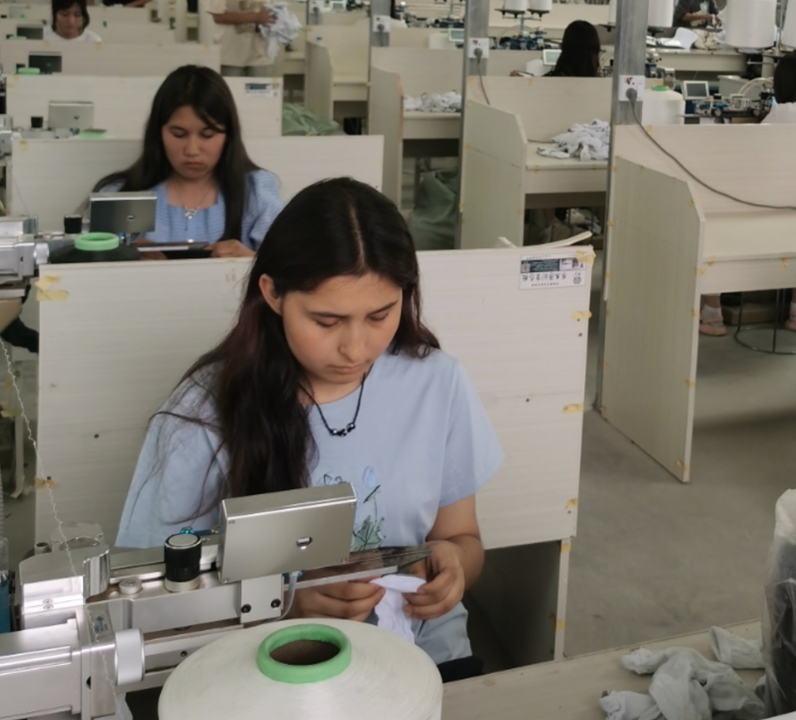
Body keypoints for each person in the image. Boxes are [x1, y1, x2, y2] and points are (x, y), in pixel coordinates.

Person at [115, 177, 504, 671]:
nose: (356, 349)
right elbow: (152, 599)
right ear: (273, 295)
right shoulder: (205, 410)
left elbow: (462, 538)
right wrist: (284, 607)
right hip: (272, 671)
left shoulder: (436, 381)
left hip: (420, 657)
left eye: (381, 315)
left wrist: (453, 569)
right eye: (326, 321)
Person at [699, 52, 796, 337]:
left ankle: (712, 315)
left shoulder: (770, 125)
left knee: (711, 214)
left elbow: (741, 180)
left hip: (766, 223)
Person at [95, 65, 283, 258]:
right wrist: (125, 261)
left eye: (207, 135)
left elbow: (294, 271)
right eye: (178, 134)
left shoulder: (256, 191)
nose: (192, 150)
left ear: (228, 136)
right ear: (158, 133)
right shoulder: (120, 195)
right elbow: (89, 274)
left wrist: (252, 262)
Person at [204, 0, 277, 77]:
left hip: (262, 56)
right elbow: (218, 16)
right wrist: (255, 17)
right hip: (231, 57)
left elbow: (275, 14)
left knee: (262, 88)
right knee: (231, 88)